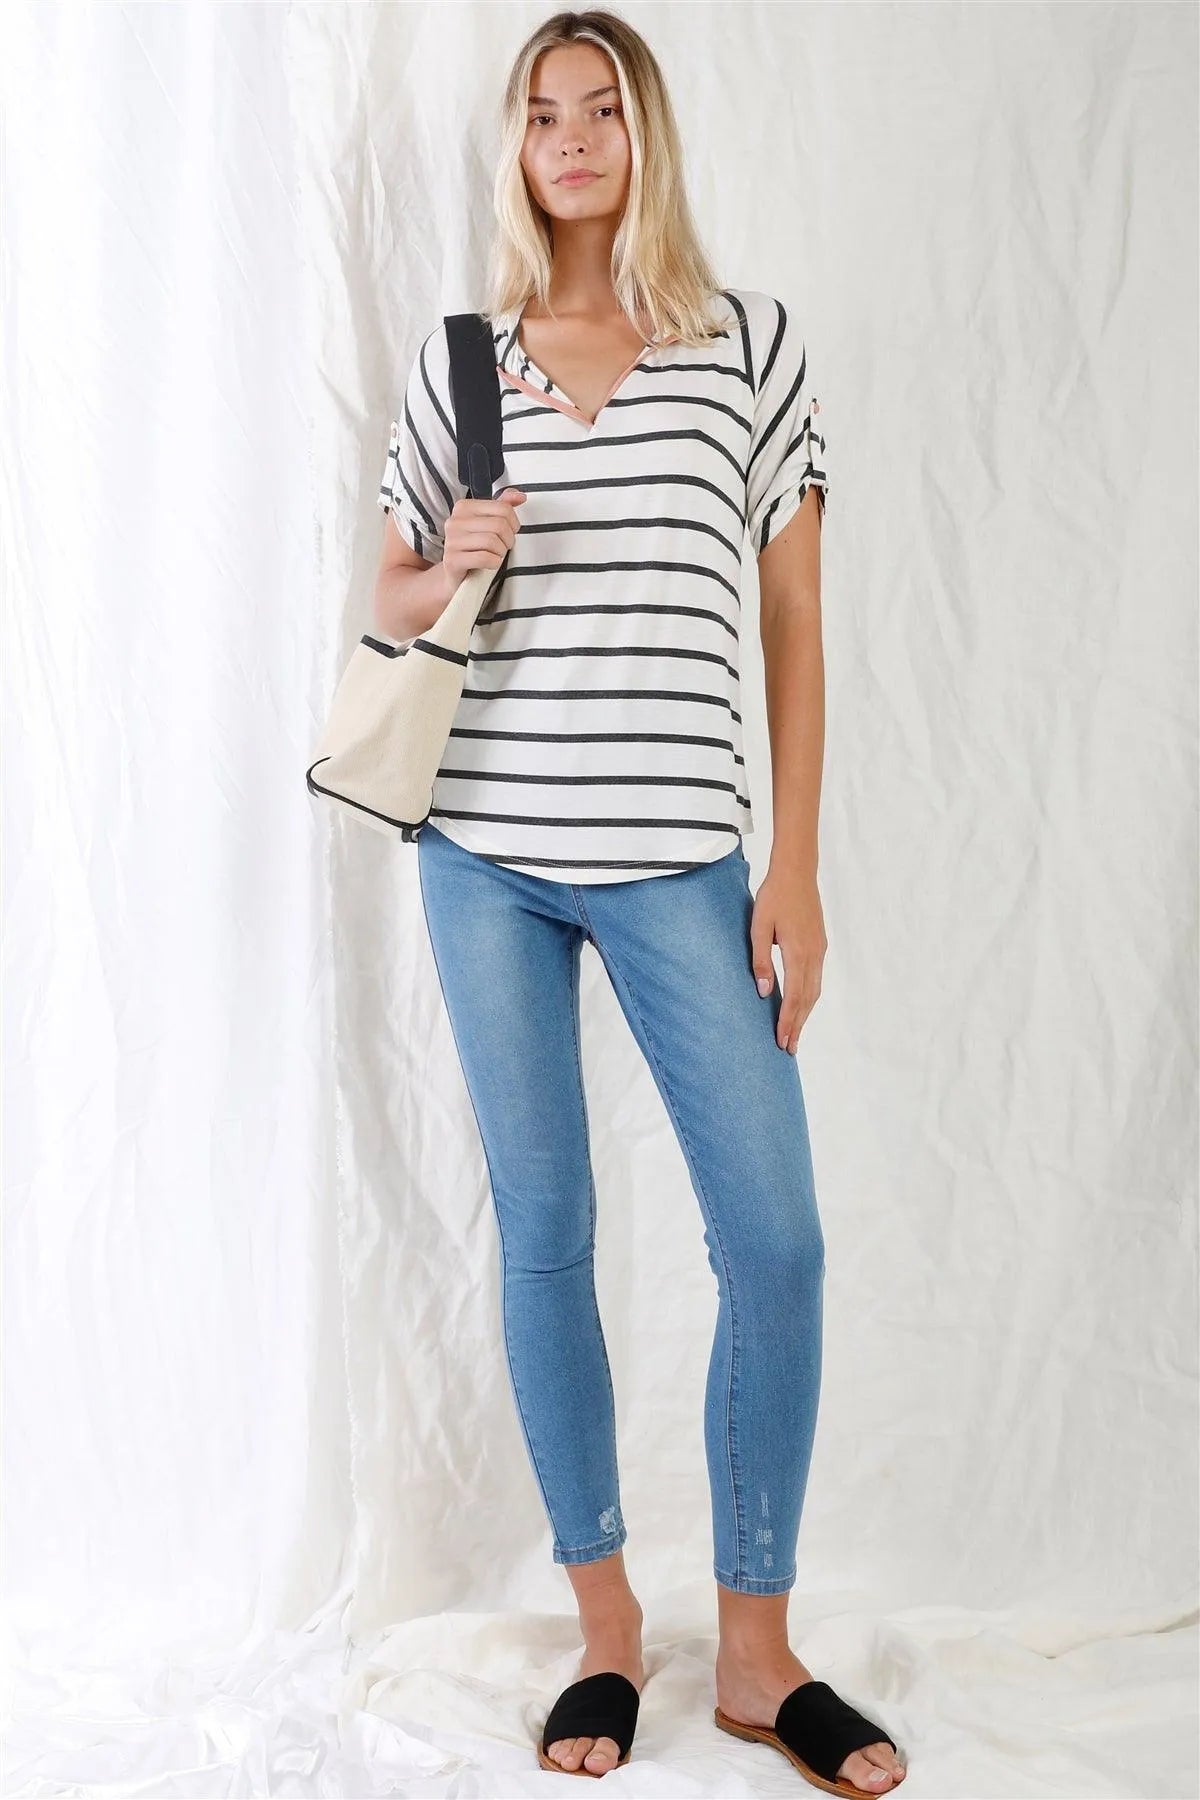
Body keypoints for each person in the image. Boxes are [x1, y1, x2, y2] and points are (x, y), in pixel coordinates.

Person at [373, 10, 906, 1794]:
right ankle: (607, 1628)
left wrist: (795, 865)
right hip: (486, 857)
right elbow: (386, 603)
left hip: (686, 858)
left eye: (602, 108)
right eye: (545, 112)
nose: (574, 136)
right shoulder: (464, 362)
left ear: (644, 133)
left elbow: (797, 617)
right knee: (547, 1235)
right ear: (517, 147)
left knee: (777, 1241)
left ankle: (756, 1652)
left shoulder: (747, 347)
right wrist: (446, 562)